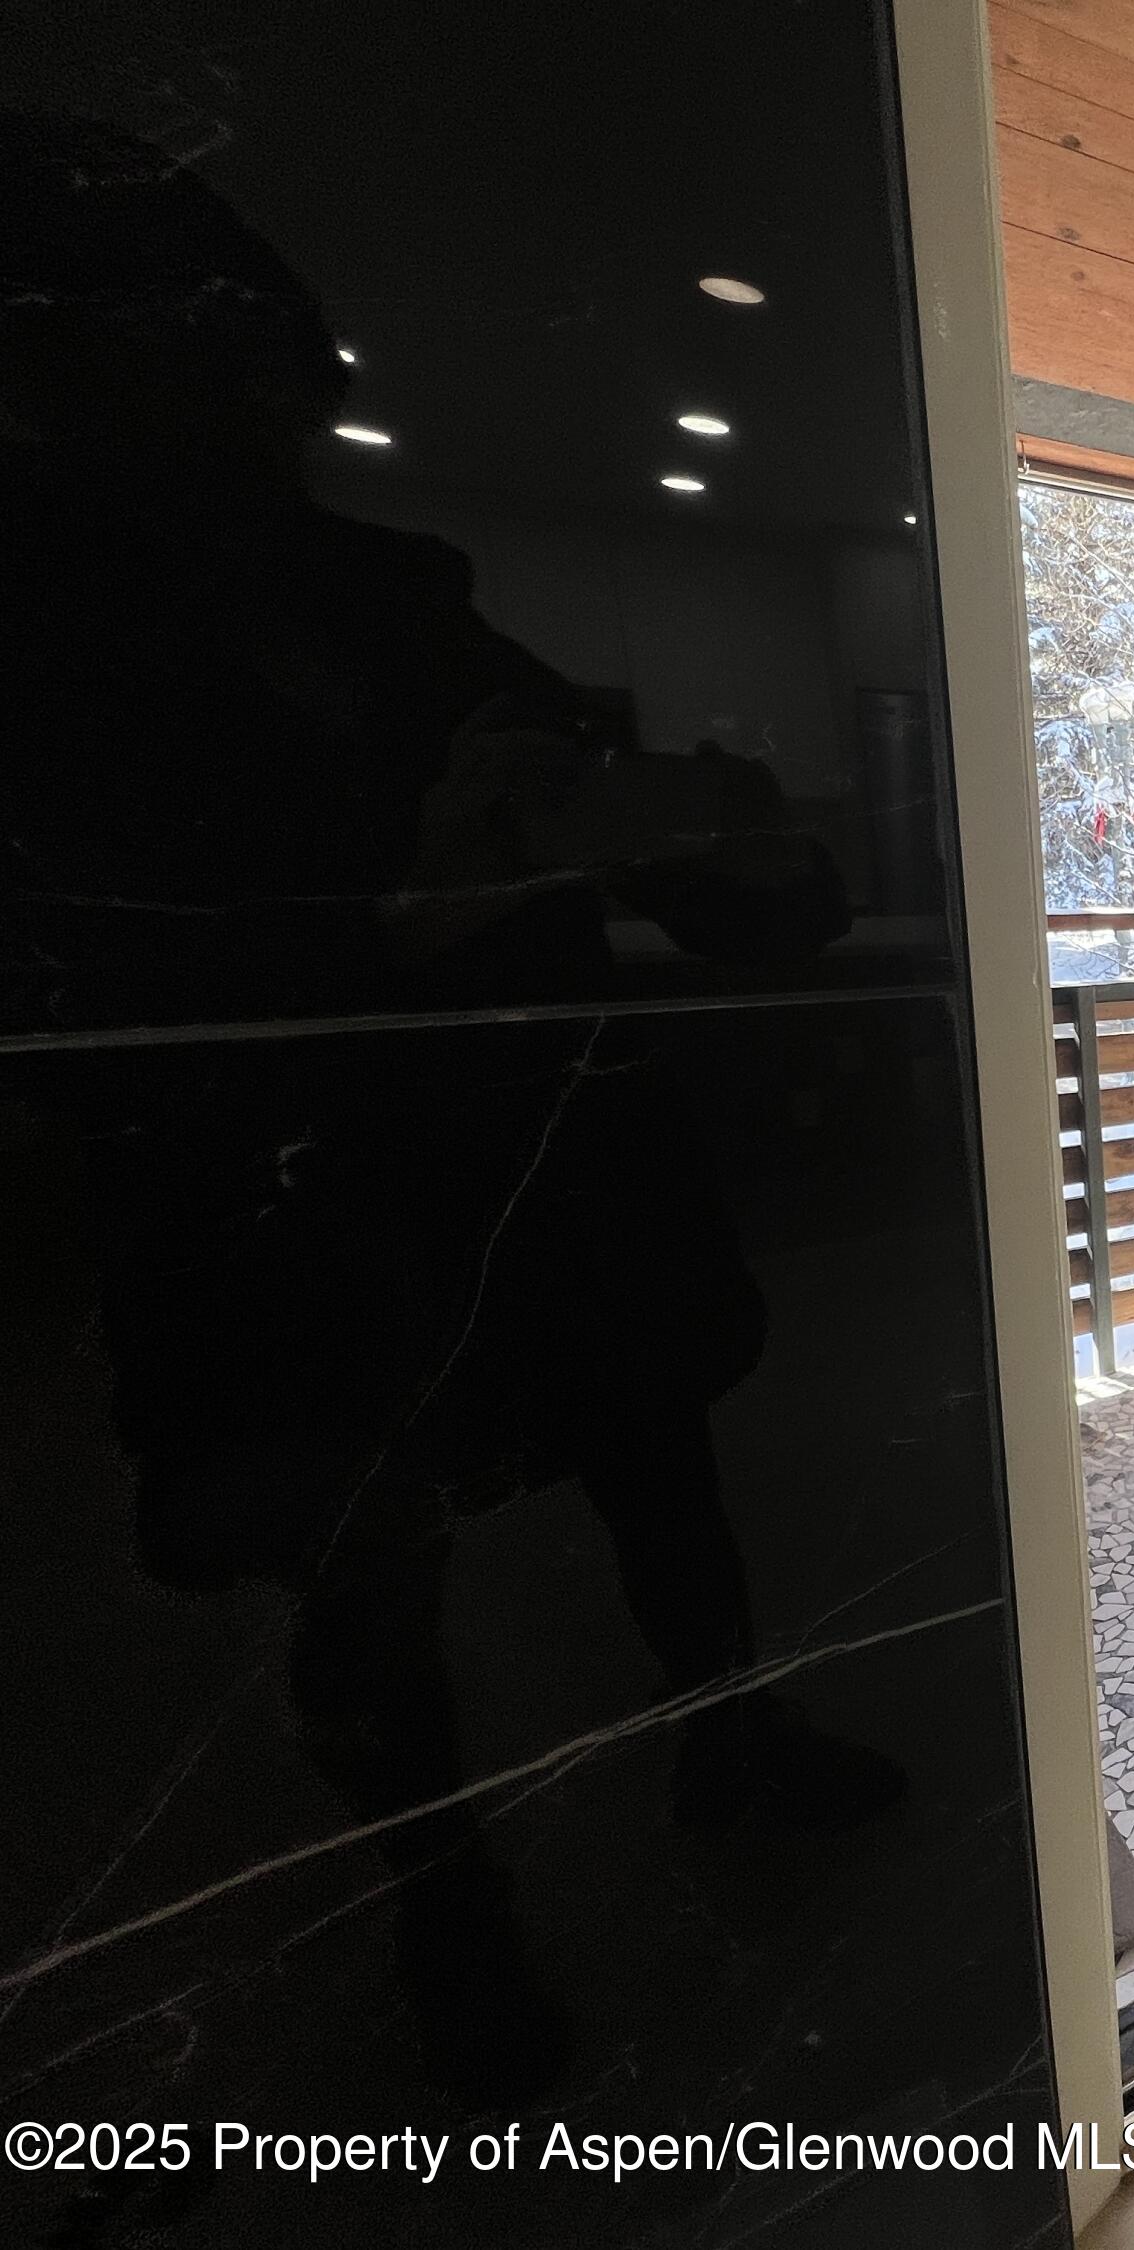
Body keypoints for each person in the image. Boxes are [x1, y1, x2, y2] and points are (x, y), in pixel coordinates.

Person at [1, 111, 899, 2106]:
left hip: (531, 1149)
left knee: (661, 1454)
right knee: (358, 1554)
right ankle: (445, 1904)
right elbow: (87, 961)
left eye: (266, 389)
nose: (259, 437)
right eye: (204, 381)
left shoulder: (387, 600)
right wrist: (404, 909)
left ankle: (729, 1737)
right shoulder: (53, 646)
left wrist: (709, 853)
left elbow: (635, 822)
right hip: (284, 1189)